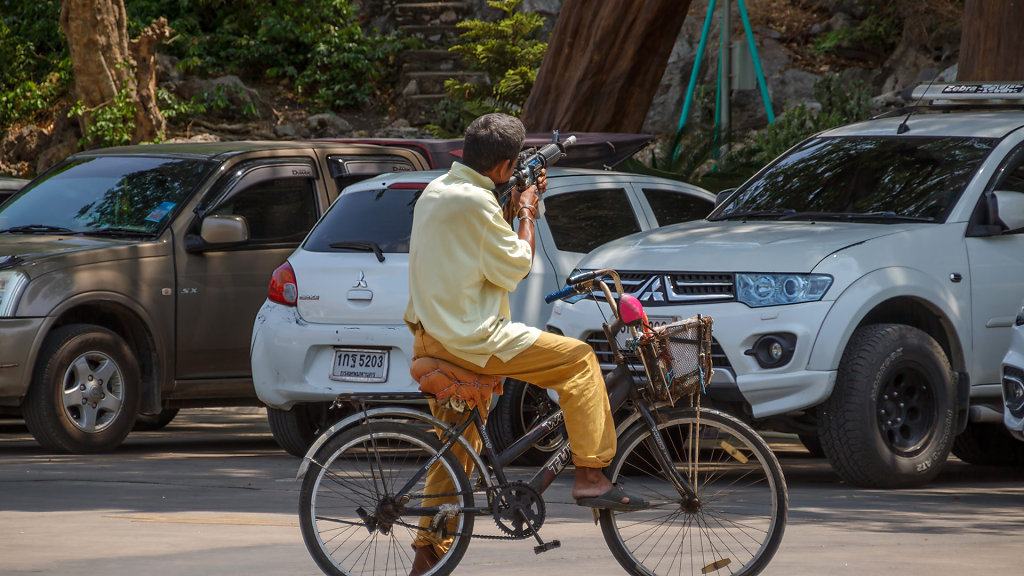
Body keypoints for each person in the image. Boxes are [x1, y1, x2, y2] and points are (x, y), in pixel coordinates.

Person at [404, 113, 645, 574]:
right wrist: (529, 207)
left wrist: (509, 206)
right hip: (471, 339)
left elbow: (478, 255)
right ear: (505, 165)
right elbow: (515, 266)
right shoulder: (477, 204)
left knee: (457, 454)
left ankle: (425, 558)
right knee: (578, 360)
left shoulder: (438, 192)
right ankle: (592, 476)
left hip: (432, 338)